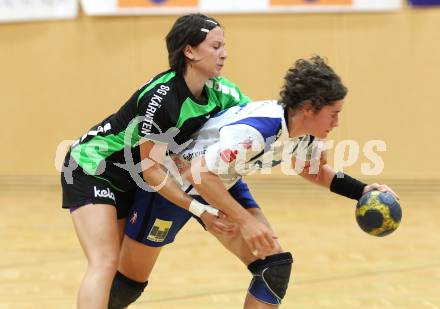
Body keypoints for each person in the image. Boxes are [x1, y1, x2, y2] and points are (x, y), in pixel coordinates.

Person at [108, 55, 399, 308]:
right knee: (128, 286)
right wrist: (245, 221)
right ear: (309, 108)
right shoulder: (258, 130)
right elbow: (198, 174)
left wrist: (362, 190)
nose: (337, 122)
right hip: (174, 184)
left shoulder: (306, 134)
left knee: (273, 267)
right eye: (333, 114)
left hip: (220, 181)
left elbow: (310, 170)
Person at [60, 13, 277, 309]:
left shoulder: (221, 91)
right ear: (189, 51)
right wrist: (201, 209)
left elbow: (254, 120)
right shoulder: (163, 98)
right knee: (105, 261)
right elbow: (151, 170)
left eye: (224, 45)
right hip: (92, 166)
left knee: (125, 281)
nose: (224, 53)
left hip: (130, 177)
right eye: (215, 46)